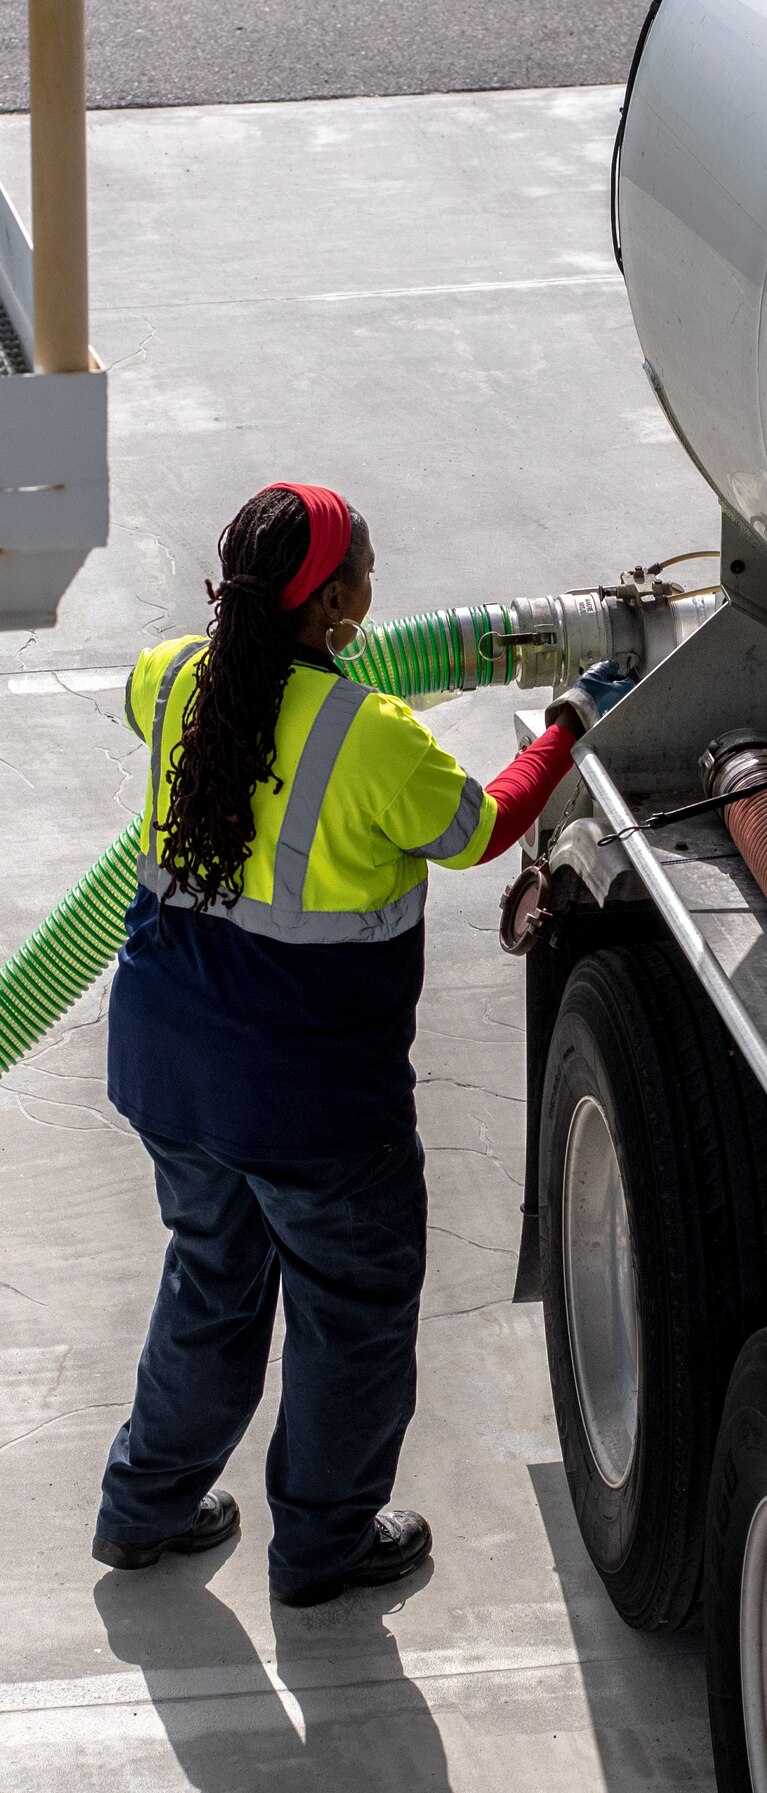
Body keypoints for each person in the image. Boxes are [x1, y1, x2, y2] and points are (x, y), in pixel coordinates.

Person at [91, 482, 633, 1607]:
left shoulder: (183, 677)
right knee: (348, 1319)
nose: (377, 587)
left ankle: (145, 1504)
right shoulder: (371, 737)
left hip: (168, 1070)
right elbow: (483, 826)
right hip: (312, 1102)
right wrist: (575, 722)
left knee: (210, 1279)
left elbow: (139, 696)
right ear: (337, 602)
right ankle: (325, 1543)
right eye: (367, 570)